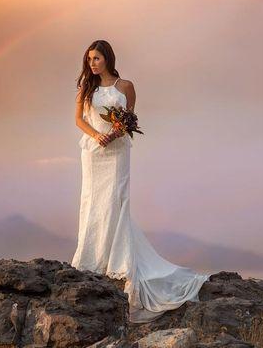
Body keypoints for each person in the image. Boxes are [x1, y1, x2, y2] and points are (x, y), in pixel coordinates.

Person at [71, 40, 211, 323]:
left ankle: (118, 262)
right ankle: (92, 258)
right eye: (89, 59)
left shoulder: (126, 86)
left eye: (96, 58)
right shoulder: (86, 88)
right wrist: (97, 136)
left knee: (115, 201)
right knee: (93, 202)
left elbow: (129, 119)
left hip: (118, 152)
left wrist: (115, 133)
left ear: (108, 58)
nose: (92, 64)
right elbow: (78, 120)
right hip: (94, 152)